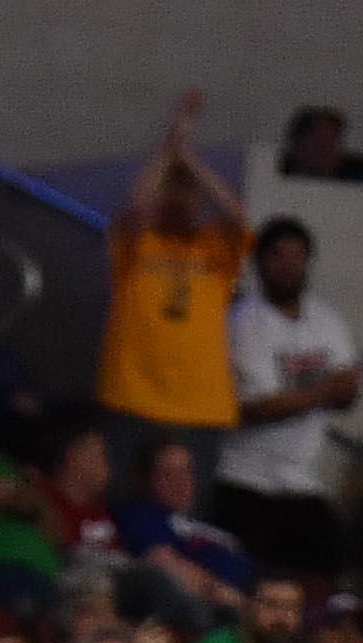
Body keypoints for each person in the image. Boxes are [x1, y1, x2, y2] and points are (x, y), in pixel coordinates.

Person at [96, 93, 245, 474]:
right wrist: (169, 149)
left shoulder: (214, 248)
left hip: (201, 409)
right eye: (172, 189)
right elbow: (133, 208)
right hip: (133, 400)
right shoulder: (137, 244)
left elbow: (234, 214)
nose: (180, 199)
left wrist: (188, 158)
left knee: (188, 523)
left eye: (188, 191)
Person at [213, 217, 359, 576]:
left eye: (297, 256)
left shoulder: (327, 320)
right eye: (278, 256)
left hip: (302, 480)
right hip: (245, 479)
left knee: (329, 576)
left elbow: (349, 392)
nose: (288, 265)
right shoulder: (244, 321)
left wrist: (302, 398)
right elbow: (258, 408)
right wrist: (324, 390)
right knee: (249, 580)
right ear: (260, 263)